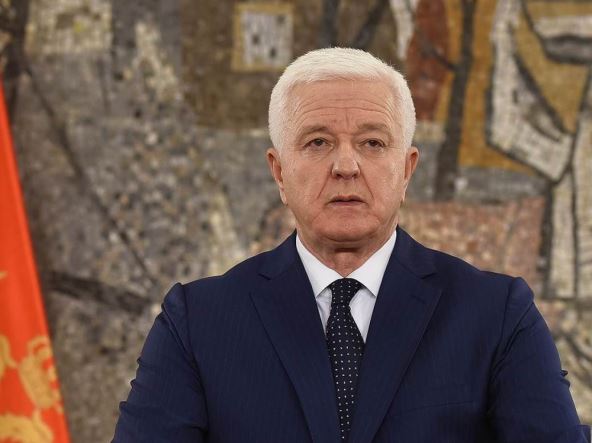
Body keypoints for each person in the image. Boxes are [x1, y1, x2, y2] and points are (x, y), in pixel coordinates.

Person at [112, 48, 591, 442]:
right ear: (279, 172)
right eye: (318, 142)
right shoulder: (197, 322)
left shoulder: (497, 314)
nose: (345, 166)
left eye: (373, 143)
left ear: (407, 169)